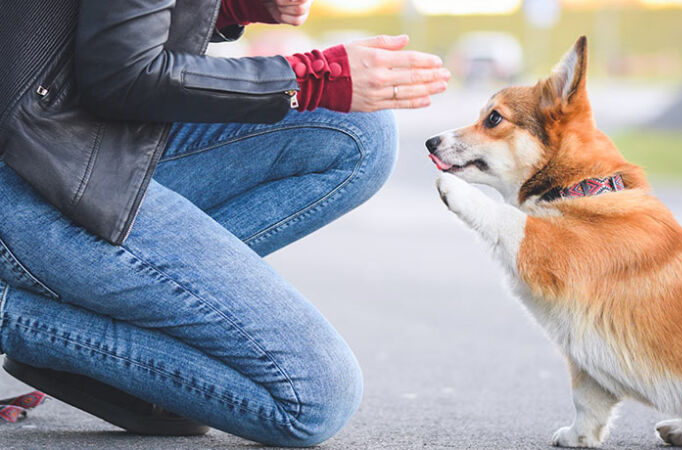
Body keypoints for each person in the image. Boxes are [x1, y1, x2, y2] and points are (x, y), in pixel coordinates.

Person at [0, 0, 449, 445]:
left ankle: (92, 338)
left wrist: (231, 7)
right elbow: (121, 76)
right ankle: (19, 314)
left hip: (77, 134)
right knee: (313, 398)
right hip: (29, 168)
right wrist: (308, 79)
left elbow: (103, 30)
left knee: (358, 134)